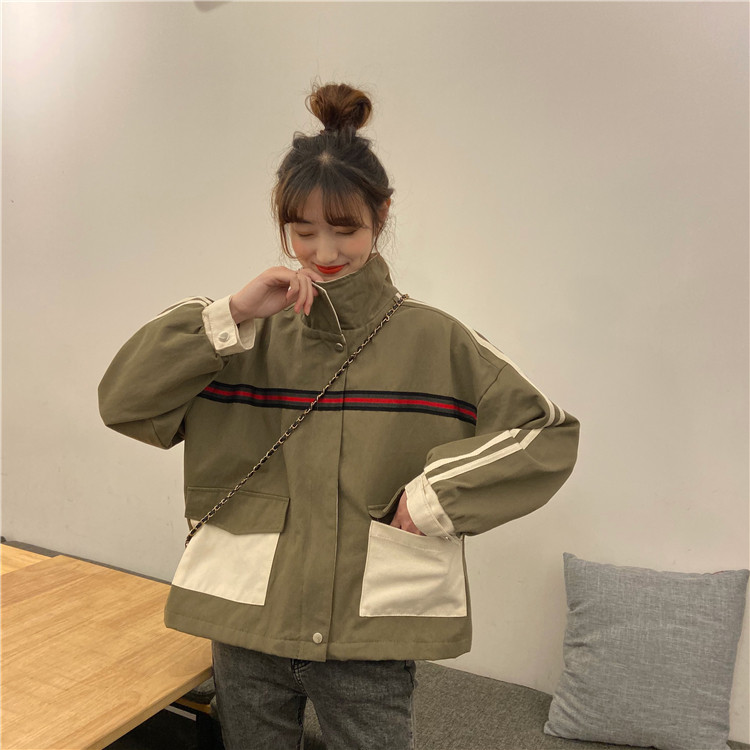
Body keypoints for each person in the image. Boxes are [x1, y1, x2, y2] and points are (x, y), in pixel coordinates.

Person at [98, 81, 580, 750]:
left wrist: (434, 498)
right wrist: (229, 314)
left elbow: (546, 432)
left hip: (369, 643)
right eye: (303, 232)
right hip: (247, 629)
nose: (324, 251)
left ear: (381, 215)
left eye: (345, 229)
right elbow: (123, 402)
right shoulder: (239, 338)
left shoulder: (434, 340)